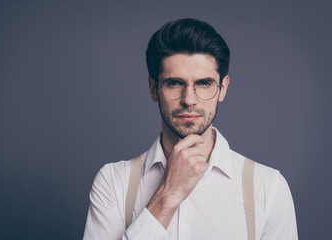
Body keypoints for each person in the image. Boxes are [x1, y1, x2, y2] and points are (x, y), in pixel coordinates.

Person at [83, 18, 298, 239]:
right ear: (153, 88)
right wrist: (167, 195)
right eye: (175, 83)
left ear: (222, 89)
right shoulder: (114, 182)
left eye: (204, 83)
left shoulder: (268, 188)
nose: (189, 100)